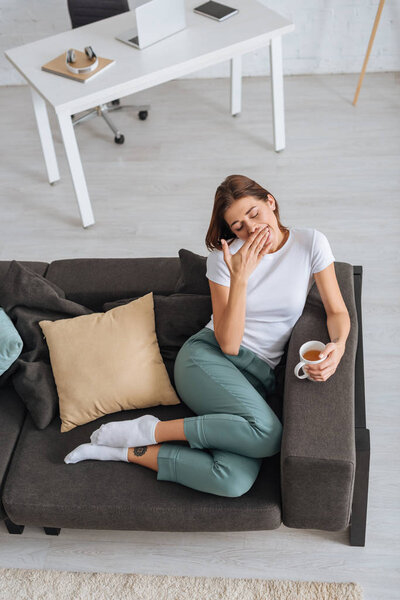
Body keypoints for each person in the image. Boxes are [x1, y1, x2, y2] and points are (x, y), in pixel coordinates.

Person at [64, 174, 351, 498]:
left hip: (256, 377)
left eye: (254, 213)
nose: (251, 228)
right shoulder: (224, 261)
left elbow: (337, 311)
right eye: (239, 225)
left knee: (232, 480)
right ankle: (149, 430)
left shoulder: (310, 243)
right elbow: (228, 344)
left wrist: (338, 347)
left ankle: (122, 452)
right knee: (269, 436)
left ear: (270, 201)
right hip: (207, 358)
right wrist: (240, 278)